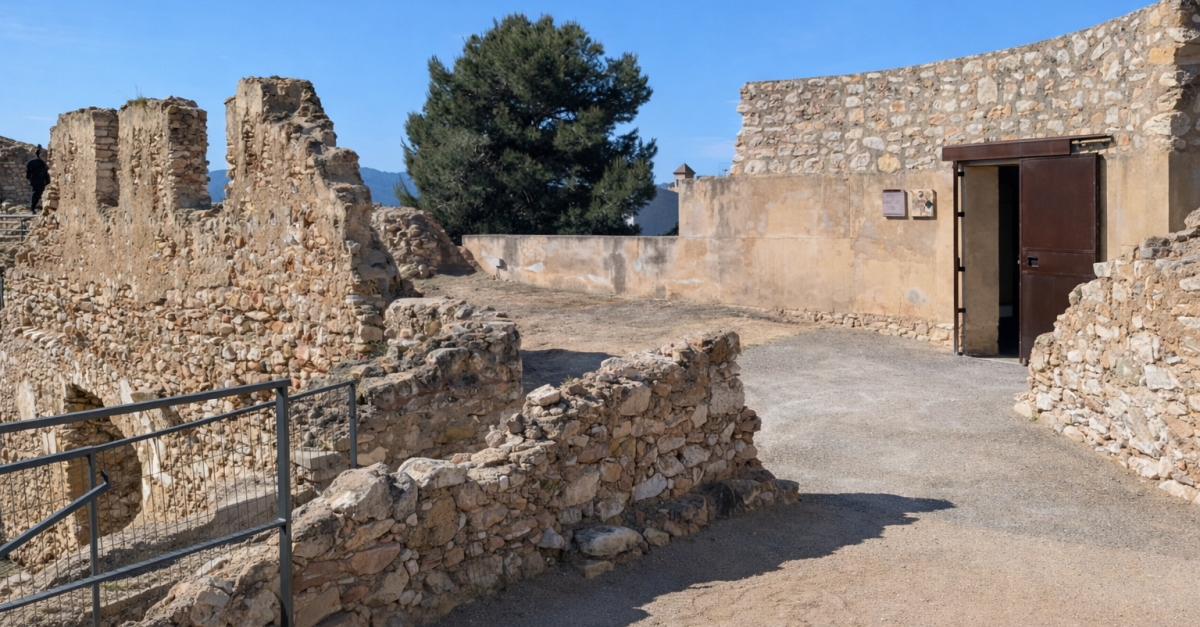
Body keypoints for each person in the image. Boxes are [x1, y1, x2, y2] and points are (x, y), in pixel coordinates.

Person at [25, 145, 50, 212]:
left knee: (35, 193)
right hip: (41, 180)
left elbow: (28, 173)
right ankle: (33, 207)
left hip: (35, 180)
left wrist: (29, 179)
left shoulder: (31, 163)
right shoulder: (42, 163)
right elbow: (46, 173)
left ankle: (33, 207)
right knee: (38, 193)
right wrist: (47, 181)